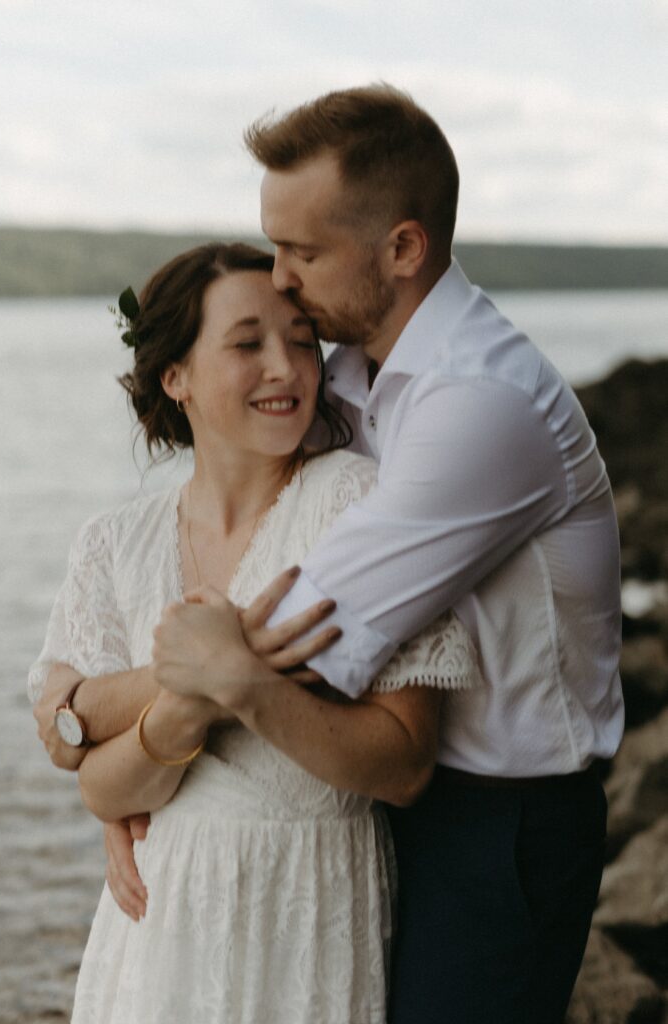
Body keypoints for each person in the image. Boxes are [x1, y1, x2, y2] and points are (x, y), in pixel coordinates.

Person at [147, 85, 624, 1024]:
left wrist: (88, 708)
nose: (280, 278)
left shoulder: (478, 403)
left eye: (305, 252)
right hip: (394, 804)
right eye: (275, 246)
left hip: (504, 826)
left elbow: (291, 636)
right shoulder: (361, 376)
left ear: (403, 248)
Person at [29, 242, 479, 1024]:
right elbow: (94, 779)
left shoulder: (359, 508)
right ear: (176, 377)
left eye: (303, 342)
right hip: (152, 927)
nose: (287, 368)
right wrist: (185, 698)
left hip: (306, 909)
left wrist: (243, 684)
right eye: (248, 344)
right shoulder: (115, 542)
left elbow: (405, 767)